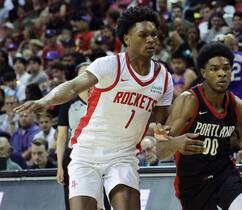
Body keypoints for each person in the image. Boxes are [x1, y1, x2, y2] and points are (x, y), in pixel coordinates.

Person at [13, 6, 183, 210]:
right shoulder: (109, 65)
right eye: (143, 35)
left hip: (123, 155)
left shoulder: (163, 77)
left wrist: (166, 139)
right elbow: (73, 86)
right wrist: (44, 101)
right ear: (127, 38)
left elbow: (161, 124)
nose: (151, 39)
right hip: (86, 153)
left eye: (154, 34)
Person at [156, 42, 242, 210]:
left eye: (226, 68)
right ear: (204, 73)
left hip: (224, 176)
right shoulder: (188, 101)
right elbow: (159, 148)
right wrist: (175, 143)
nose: (222, 73)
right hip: (193, 183)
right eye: (214, 69)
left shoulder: (238, 106)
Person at [56, 62, 92, 210]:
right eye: (82, 75)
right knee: (72, 199)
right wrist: (59, 165)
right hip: (74, 155)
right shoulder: (69, 102)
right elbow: (62, 136)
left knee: (100, 199)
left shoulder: (104, 99)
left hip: (98, 154)